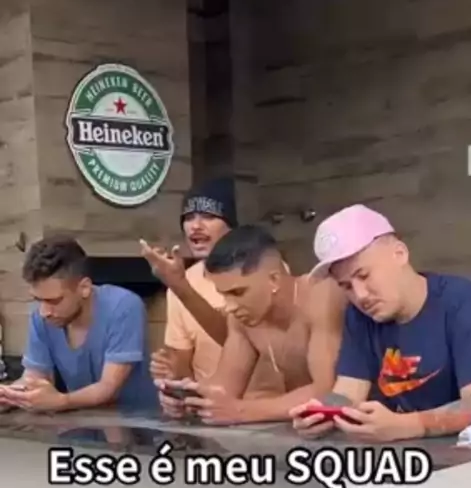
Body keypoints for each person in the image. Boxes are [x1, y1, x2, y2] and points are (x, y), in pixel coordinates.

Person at [291, 204, 471, 442]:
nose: (360, 295)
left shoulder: (464, 302)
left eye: (364, 275)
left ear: (399, 253)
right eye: (346, 286)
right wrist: (322, 412)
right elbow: (349, 390)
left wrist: (408, 425)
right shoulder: (359, 315)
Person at [157, 224, 347, 424]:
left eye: (237, 293)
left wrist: (241, 411)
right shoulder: (243, 320)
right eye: (223, 295)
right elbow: (224, 388)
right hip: (303, 427)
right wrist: (188, 400)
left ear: (273, 280)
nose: (229, 306)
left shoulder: (320, 296)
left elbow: (328, 391)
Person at [141, 176, 282, 397]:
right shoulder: (180, 283)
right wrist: (173, 379)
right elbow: (184, 369)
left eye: (208, 216)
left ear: (231, 226)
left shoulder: (264, 271)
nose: (196, 226)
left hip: (264, 402)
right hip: (212, 402)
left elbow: (241, 339)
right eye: (189, 217)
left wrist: (180, 286)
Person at [0, 236, 159, 413]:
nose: (44, 311)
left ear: (84, 288)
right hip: (78, 422)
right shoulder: (41, 317)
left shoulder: (124, 307)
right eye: (38, 300)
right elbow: (34, 379)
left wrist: (60, 401)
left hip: (139, 422)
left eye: (54, 301)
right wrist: (9, 395)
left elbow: (109, 388)